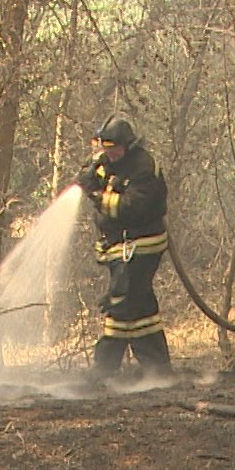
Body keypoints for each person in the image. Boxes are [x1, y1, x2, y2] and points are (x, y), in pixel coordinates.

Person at [73, 114, 172, 379]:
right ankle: (158, 368)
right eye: (104, 149)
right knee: (139, 305)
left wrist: (99, 197)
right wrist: (88, 177)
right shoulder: (107, 161)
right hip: (120, 244)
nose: (108, 154)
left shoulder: (143, 167)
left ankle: (105, 367)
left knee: (121, 301)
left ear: (127, 145)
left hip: (142, 243)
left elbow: (131, 206)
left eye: (112, 149)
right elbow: (89, 176)